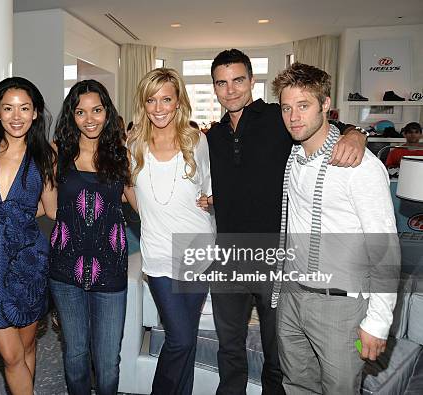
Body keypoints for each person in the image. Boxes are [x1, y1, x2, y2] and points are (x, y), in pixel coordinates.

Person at [205, 49, 367, 395]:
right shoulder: (213, 137)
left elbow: (331, 127)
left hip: (276, 257)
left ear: (251, 81)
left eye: (238, 80)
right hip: (228, 259)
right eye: (222, 83)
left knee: (278, 355)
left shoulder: (278, 118)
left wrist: (357, 133)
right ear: (214, 88)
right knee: (229, 348)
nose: (230, 90)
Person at [271, 62, 399, 394]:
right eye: (286, 108)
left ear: (326, 105)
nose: (294, 117)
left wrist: (378, 322)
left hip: (340, 307)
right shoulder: (294, 156)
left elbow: (384, 249)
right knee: (295, 385)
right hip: (292, 297)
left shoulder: (360, 167)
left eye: (304, 105)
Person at [129, 67, 214, 395]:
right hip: (160, 255)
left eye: (166, 99)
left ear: (178, 102)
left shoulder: (196, 141)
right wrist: (151, 215)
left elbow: (207, 191)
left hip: (198, 251)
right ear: (144, 104)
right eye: (152, 100)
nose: (159, 107)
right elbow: (128, 187)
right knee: (179, 338)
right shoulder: (133, 143)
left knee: (187, 339)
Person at [0, 77, 56, 394]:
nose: (16, 116)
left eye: (24, 108)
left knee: (27, 344)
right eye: (8, 108)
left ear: (35, 113)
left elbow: (51, 209)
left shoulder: (45, 156)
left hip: (28, 259)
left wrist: (13, 215)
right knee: (11, 355)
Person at [49, 79, 135, 395]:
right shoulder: (56, 155)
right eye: (81, 112)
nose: (90, 119)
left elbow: (143, 204)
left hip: (111, 268)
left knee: (108, 359)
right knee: (75, 354)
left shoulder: (122, 157)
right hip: (65, 269)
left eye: (96, 110)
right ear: (71, 116)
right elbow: (41, 205)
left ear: (107, 112)